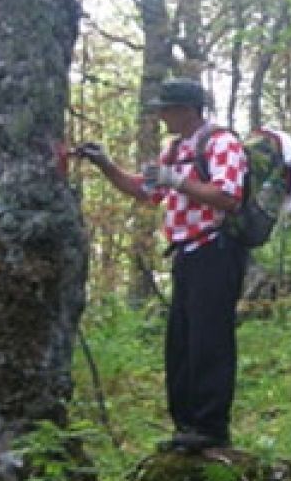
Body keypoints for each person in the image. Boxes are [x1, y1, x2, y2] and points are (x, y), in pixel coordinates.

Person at [78, 77, 249, 451]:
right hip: (186, 254)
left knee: (210, 341)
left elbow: (228, 197)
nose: (160, 117)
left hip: (216, 251)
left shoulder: (221, 143)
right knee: (181, 343)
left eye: (165, 110)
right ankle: (186, 426)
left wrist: (178, 182)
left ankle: (211, 429)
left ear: (187, 110)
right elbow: (146, 191)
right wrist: (106, 165)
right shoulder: (175, 150)